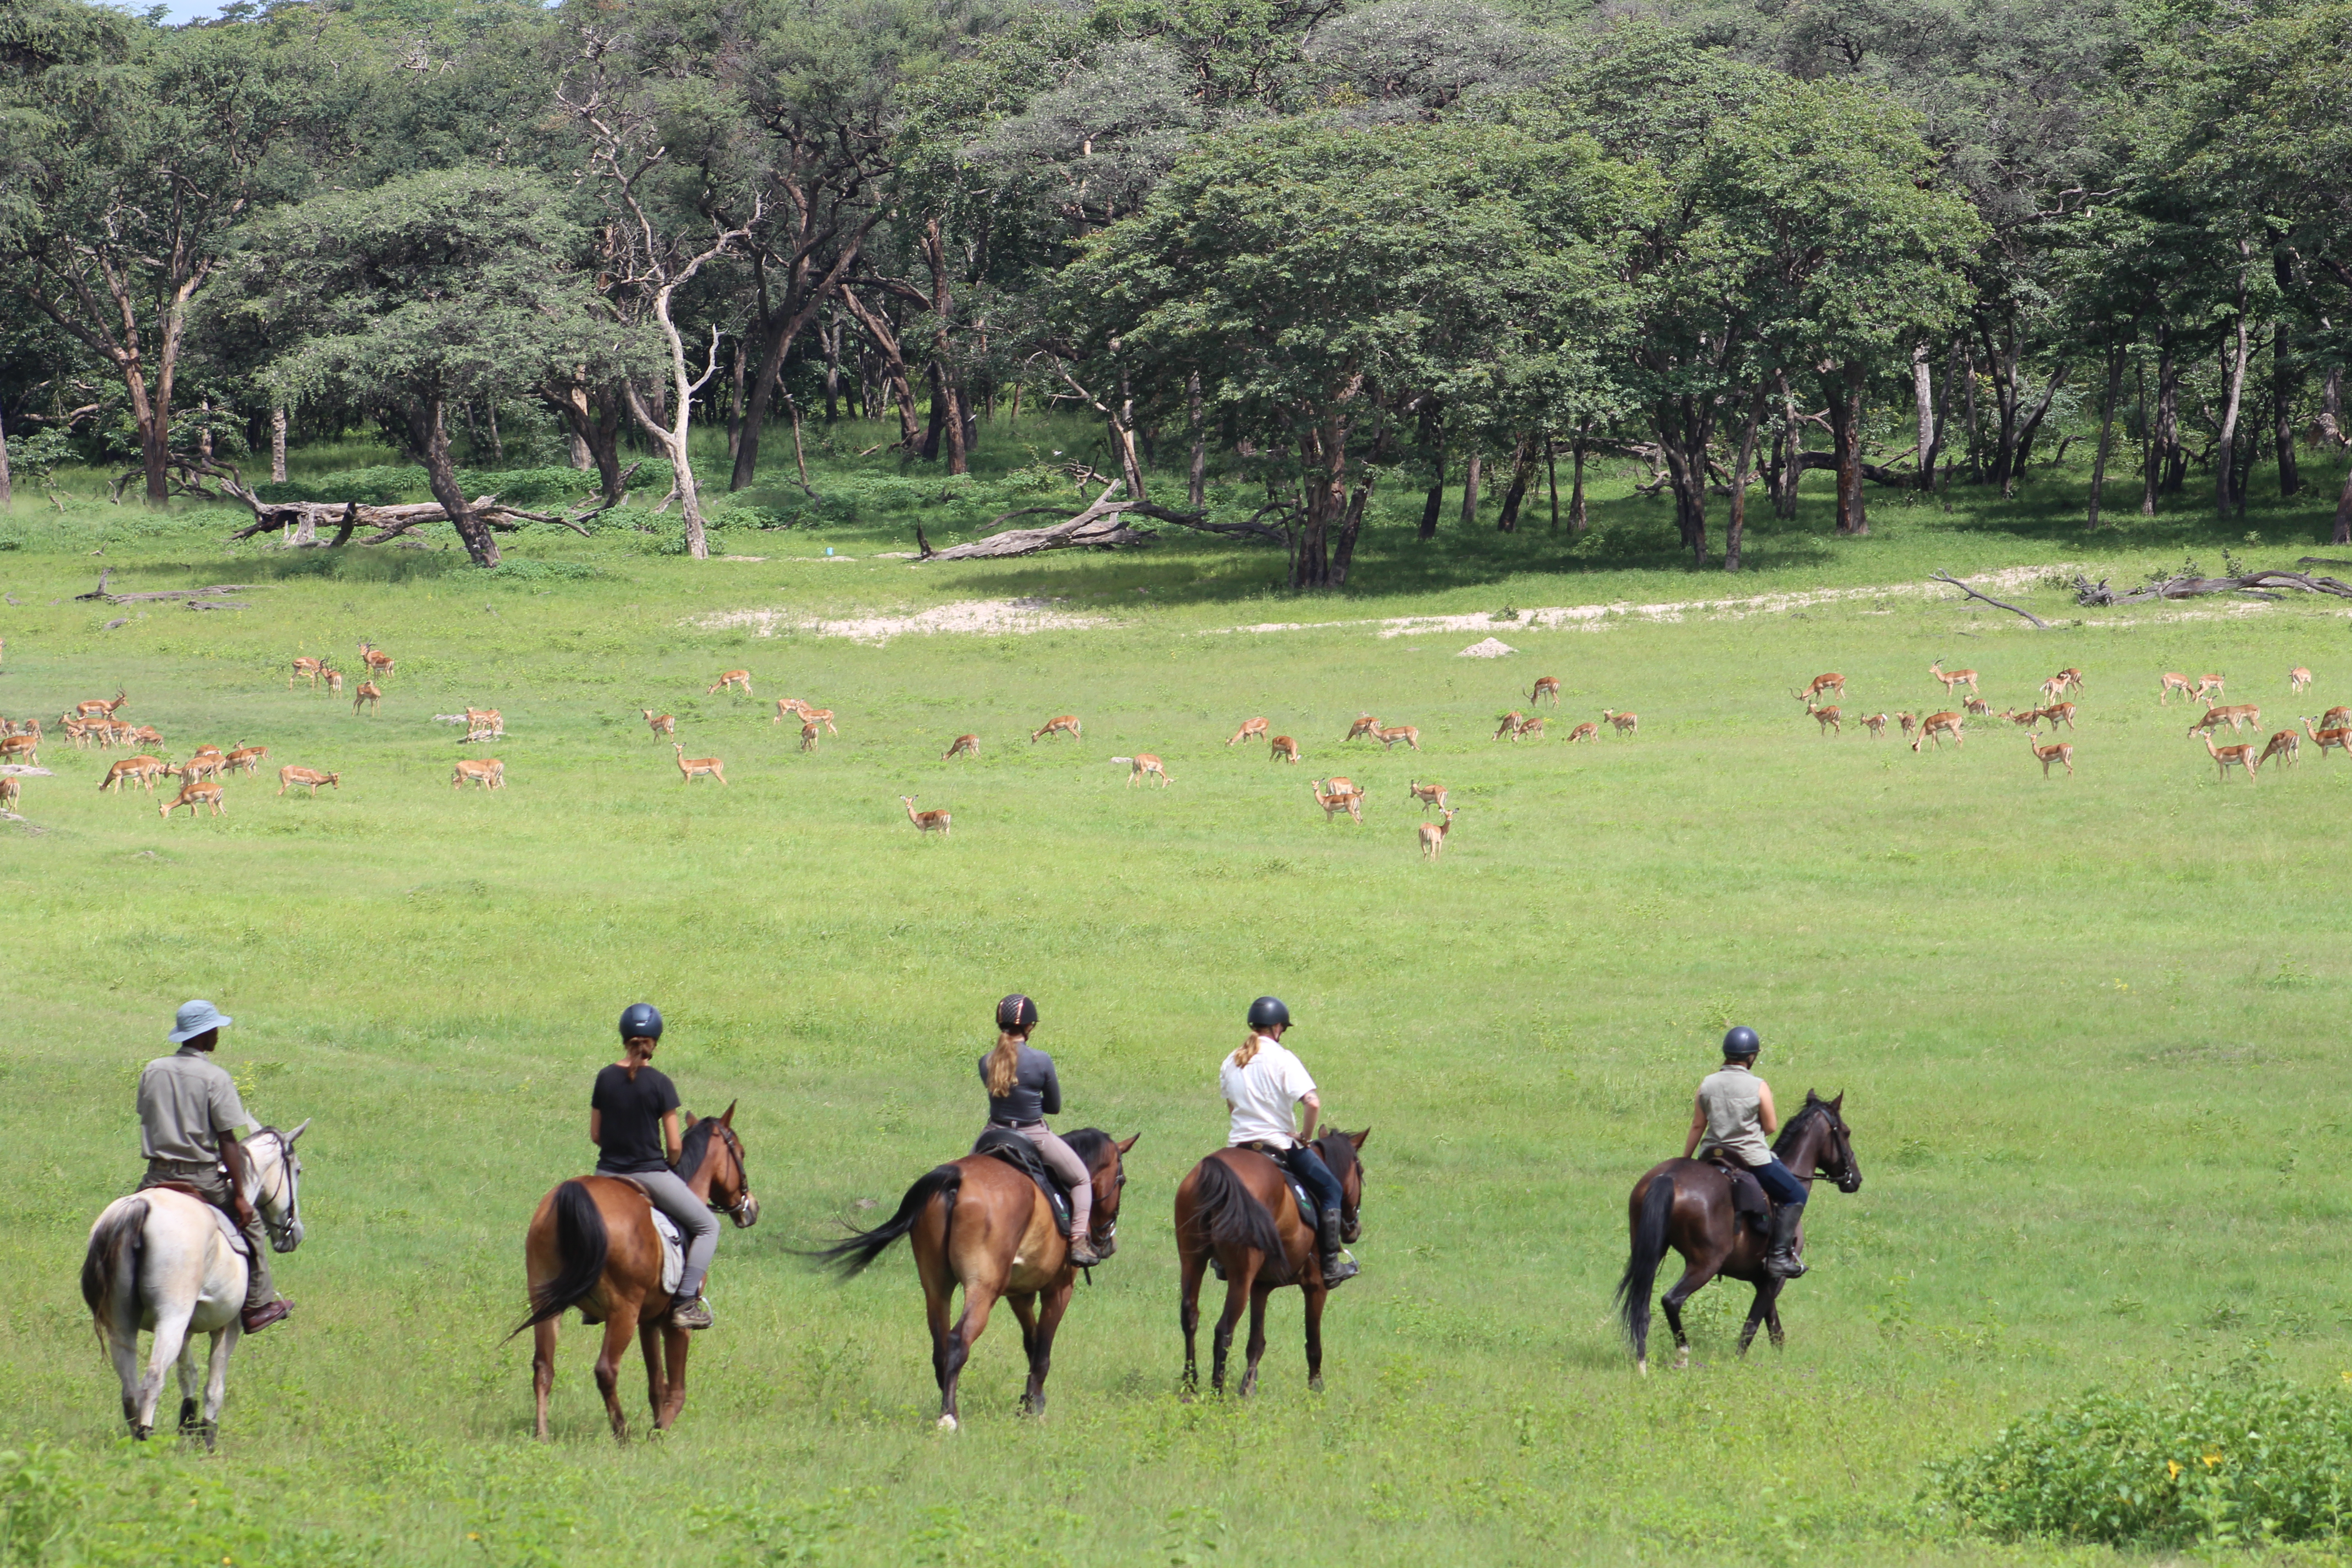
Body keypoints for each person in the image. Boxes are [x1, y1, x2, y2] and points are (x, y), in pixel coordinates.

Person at [135, 1000, 293, 1333]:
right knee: (251, 1226)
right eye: (215, 1030)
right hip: (202, 1179)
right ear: (205, 1034)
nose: (219, 1036)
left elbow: (147, 1117)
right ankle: (257, 1306)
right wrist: (239, 1199)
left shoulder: (153, 1069)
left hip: (156, 1176)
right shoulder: (215, 1077)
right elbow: (228, 1141)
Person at [590, 1003, 719, 1329]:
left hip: (606, 1174)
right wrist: (672, 1164)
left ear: (623, 1038)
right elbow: (675, 1145)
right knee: (707, 1227)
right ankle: (686, 1301)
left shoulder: (604, 1078)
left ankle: (591, 1297)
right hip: (650, 1174)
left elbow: (595, 1135)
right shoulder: (661, 1084)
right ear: (655, 1042)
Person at [1220, 996, 1357, 1284]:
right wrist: (1305, 1138)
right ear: (1278, 1027)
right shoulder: (1283, 1058)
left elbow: (1233, 1107)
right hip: (1277, 1145)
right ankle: (1331, 1265)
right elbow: (1312, 1102)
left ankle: (1220, 1258)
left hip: (1239, 1148)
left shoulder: (1230, 1061)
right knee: (1331, 1188)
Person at [977, 994, 1101, 1267]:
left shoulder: (986, 1061)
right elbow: (1054, 1106)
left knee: (968, 1174)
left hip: (993, 1133)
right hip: (1032, 1134)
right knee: (1082, 1179)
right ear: (1029, 1026)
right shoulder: (1041, 1060)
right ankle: (1079, 1241)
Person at [1685, 1025, 1807, 1278]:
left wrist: (1685, 1160)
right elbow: (1772, 1126)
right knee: (1795, 1193)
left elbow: (1698, 1124)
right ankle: (1778, 1257)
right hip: (1751, 1158)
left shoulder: (1707, 1084)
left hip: (1712, 1155)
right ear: (1751, 1056)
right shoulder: (1758, 1086)